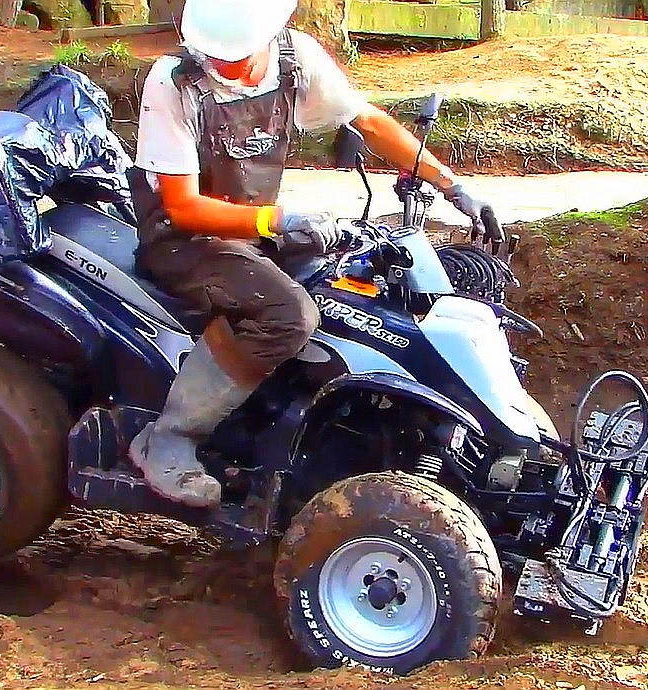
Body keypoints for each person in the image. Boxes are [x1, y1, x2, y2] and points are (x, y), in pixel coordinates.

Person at [126, 0, 503, 509]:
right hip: (182, 238)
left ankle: (277, 427)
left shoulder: (295, 59)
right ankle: (170, 436)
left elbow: (368, 121)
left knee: (345, 277)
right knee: (288, 313)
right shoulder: (174, 81)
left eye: (235, 58)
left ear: (268, 35)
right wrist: (277, 220)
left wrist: (453, 186)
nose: (221, 67)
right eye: (213, 56)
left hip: (250, 228)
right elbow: (184, 206)